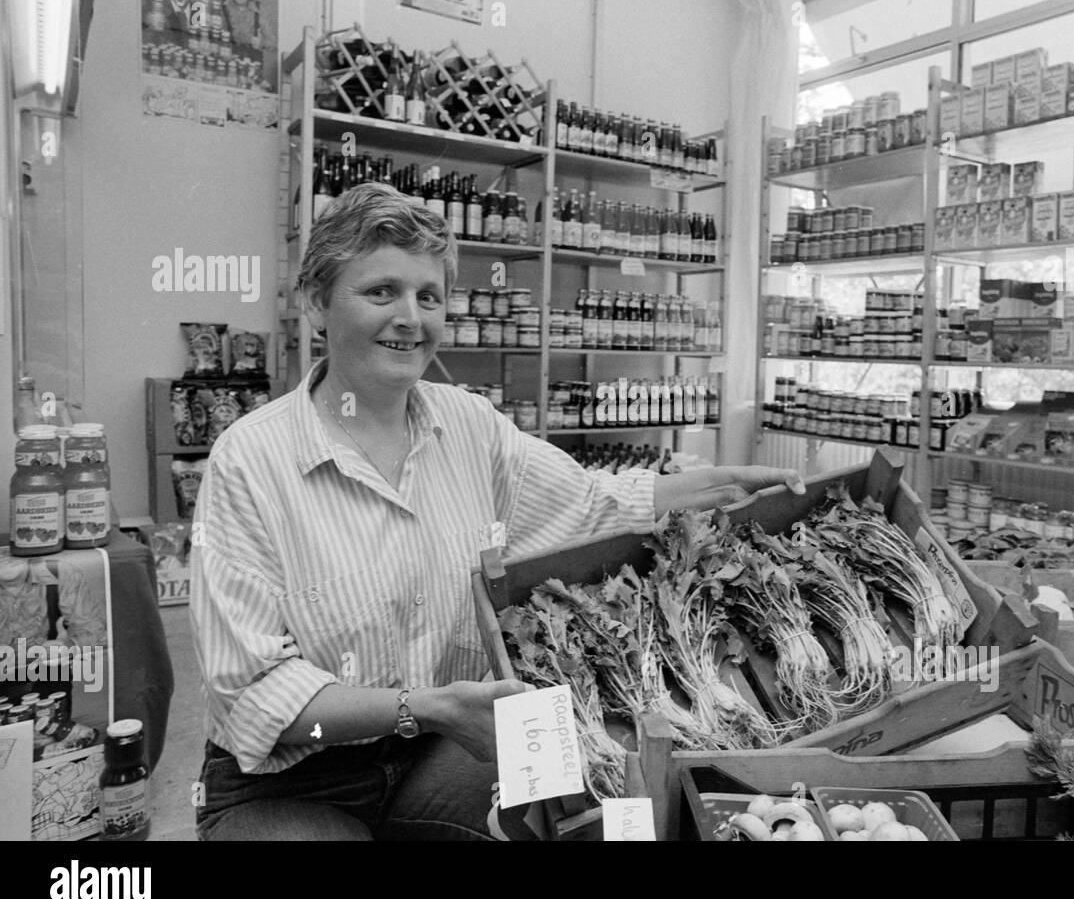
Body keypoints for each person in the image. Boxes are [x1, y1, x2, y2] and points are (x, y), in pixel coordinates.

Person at [189, 182, 804, 840]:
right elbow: (255, 698)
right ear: (316, 302)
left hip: (436, 751)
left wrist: (713, 488)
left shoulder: (469, 425)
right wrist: (423, 708)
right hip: (293, 777)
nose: (411, 318)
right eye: (381, 292)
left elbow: (587, 502)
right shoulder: (249, 462)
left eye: (429, 297)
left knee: (592, 822)